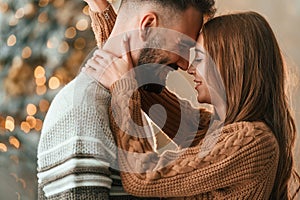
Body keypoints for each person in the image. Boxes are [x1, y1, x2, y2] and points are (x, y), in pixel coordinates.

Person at [84, 8, 300, 199]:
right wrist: (102, 10)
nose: (188, 67)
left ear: (229, 66)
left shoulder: (253, 141)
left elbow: (144, 177)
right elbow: (143, 88)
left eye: (198, 58)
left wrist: (122, 86)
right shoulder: (214, 131)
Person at [36, 0, 216, 199]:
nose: (184, 64)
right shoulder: (83, 108)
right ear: (147, 26)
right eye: (181, 45)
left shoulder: (128, 100)